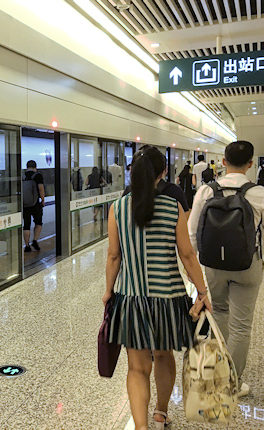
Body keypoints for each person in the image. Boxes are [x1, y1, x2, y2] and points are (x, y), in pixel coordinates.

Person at [103, 146, 211, 430]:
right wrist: (202, 291)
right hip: (168, 297)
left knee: (137, 367)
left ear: (132, 172)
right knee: (163, 356)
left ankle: (141, 427)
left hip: (131, 298)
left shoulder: (117, 209)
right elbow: (187, 256)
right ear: (163, 173)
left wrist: (107, 290)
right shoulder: (172, 207)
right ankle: (161, 413)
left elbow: (114, 256)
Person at [188, 140, 264, 398]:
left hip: (214, 265)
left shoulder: (206, 191)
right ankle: (232, 382)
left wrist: (197, 266)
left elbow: (192, 231)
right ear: (251, 164)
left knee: (219, 312)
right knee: (242, 326)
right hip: (248, 264)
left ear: (223, 161)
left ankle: (216, 375)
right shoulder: (258, 193)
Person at [122, 147, 189, 213]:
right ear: (164, 171)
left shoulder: (126, 196)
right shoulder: (174, 193)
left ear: (132, 170)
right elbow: (186, 218)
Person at [22, 160, 45, 253]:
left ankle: (27, 246)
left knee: (26, 225)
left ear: (27, 166)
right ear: (35, 167)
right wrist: (42, 199)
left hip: (25, 204)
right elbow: (41, 188)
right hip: (35, 204)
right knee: (38, 222)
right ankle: (35, 240)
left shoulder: (22, 176)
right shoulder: (37, 175)